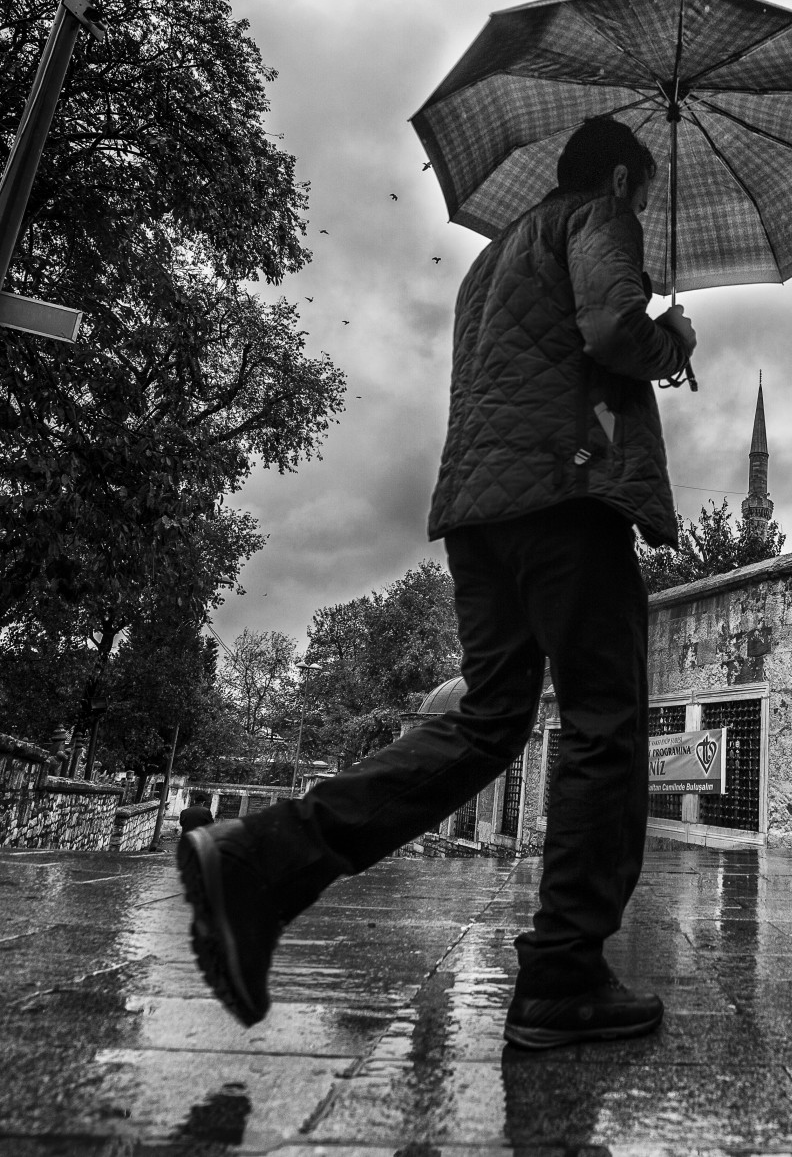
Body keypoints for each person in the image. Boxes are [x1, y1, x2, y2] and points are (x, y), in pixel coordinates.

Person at [176, 117, 696, 1051]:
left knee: (489, 717)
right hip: (566, 495)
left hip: (479, 512)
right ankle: (564, 974)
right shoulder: (599, 217)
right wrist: (669, 336)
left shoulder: (492, 258)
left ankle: (263, 859)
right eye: (645, 199)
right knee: (603, 720)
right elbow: (614, 327)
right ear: (621, 178)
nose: (644, 216)